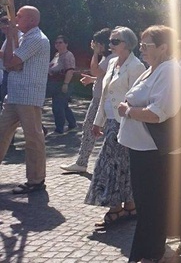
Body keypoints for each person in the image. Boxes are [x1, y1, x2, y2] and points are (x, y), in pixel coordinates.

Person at [118, 25, 181, 260]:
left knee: (151, 204)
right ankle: (155, 249)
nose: (142, 49)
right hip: (143, 147)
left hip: (155, 149)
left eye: (147, 45)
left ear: (164, 47)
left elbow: (158, 113)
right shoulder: (152, 69)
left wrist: (128, 111)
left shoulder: (170, 71)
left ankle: (154, 252)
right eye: (142, 45)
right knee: (148, 204)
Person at [85, 26, 145, 228]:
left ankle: (117, 208)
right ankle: (129, 205)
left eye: (115, 41)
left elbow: (138, 98)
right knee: (119, 165)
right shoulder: (111, 62)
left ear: (127, 44)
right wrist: (98, 121)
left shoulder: (136, 66)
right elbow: (104, 94)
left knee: (110, 164)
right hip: (111, 121)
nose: (110, 45)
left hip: (126, 123)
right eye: (110, 41)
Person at [0, 6, 50, 194]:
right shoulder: (21, 37)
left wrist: (12, 58)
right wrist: (9, 36)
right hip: (14, 95)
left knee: (33, 138)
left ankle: (36, 180)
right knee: (1, 132)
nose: (14, 19)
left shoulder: (36, 39)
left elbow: (10, 62)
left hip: (28, 96)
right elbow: (8, 58)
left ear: (31, 20)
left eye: (18, 16)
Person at [61, 28, 114, 173]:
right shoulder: (109, 58)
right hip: (100, 98)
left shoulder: (109, 58)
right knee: (91, 129)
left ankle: (82, 162)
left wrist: (95, 53)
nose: (94, 45)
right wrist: (93, 80)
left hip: (101, 100)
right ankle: (82, 162)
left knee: (91, 129)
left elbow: (95, 70)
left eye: (96, 43)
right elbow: (102, 76)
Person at [48, 35, 77, 134]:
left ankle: (59, 128)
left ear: (66, 44)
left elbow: (70, 70)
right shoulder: (57, 55)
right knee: (63, 105)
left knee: (57, 106)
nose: (58, 45)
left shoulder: (68, 55)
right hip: (54, 83)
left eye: (60, 42)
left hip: (63, 82)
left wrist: (65, 84)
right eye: (56, 43)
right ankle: (72, 123)